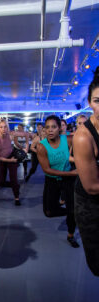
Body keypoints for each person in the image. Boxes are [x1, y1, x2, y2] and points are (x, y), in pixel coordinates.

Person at [36, 115, 79, 248]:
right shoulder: (41, 147)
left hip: (68, 180)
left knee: (72, 211)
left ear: (59, 129)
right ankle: (72, 212)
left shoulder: (69, 140)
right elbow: (47, 170)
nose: (50, 130)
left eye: (54, 127)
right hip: (52, 180)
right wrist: (70, 173)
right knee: (49, 212)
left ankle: (70, 235)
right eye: (47, 127)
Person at [73, 66, 99, 274]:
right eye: (98, 101)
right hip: (92, 204)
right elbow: (92, 187)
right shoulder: (83, 136)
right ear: (90, 103)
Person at [0, 119, 24, 205]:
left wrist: (26, 147)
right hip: (1, 159)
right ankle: (16, 186)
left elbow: (26, 134)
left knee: (14, 179)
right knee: (0, 182)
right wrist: (9, 160)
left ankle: (17, 198)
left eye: (5, 127)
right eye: (1, 127)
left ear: (8, 128)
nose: (3, 129)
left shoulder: (11, 135)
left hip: (11, 156)